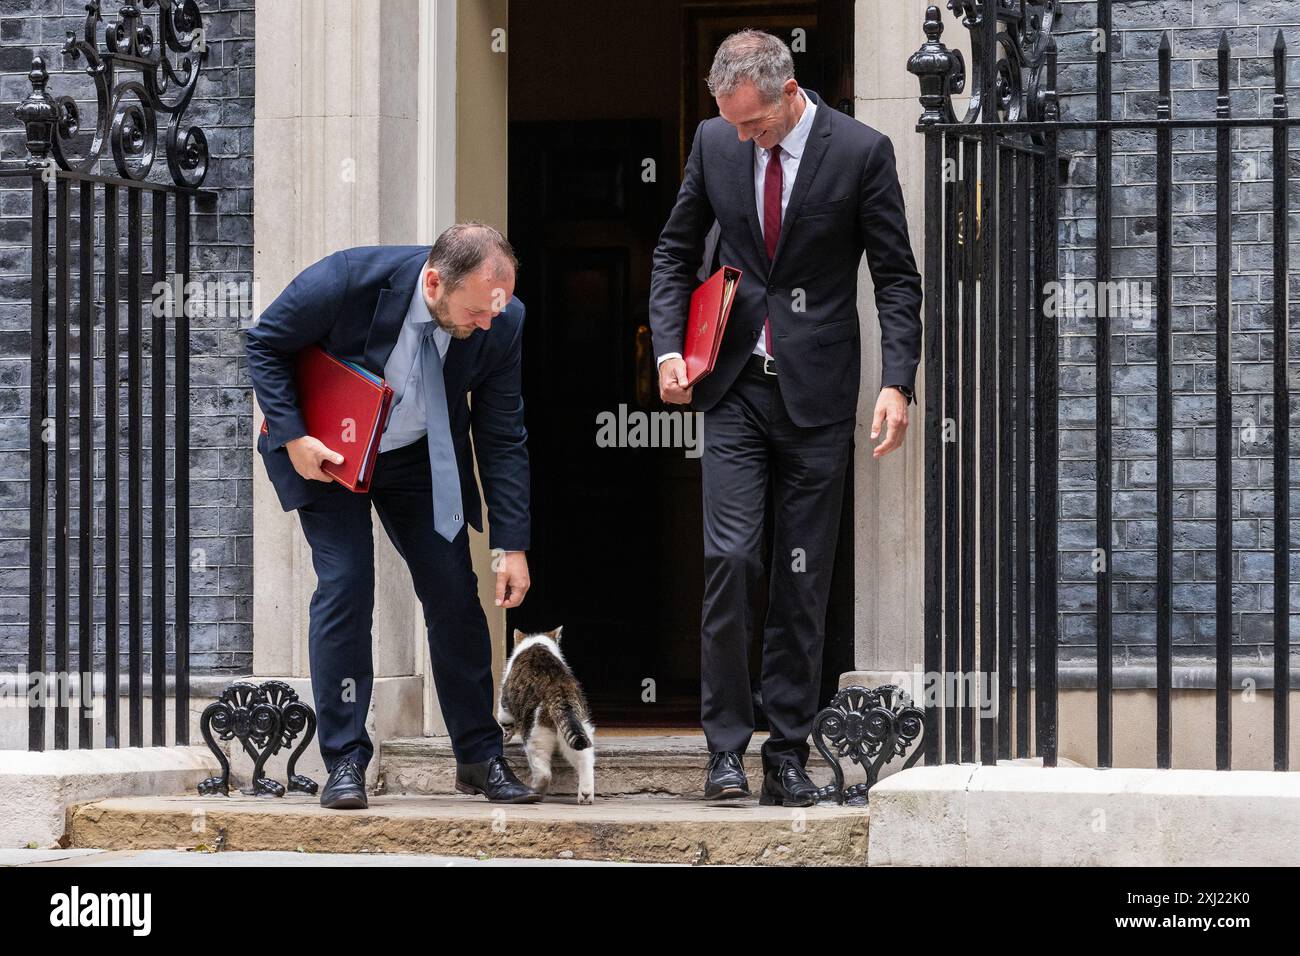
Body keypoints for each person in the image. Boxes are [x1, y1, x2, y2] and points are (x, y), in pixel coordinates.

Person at [649, 30, 923, 805]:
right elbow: (674, 252)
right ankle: (725, 749)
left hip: (817, 394)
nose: (742, 137)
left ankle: (789, 751)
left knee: (804, 580)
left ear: (789, 91)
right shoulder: (713, 141)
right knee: (732, 563)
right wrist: (670, 347)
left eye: (754, 125)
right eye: (732, 124)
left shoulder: (861, 153)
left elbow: (897, 279)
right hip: (733, 386)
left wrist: (896, 382)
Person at [246, 222, 539, 808]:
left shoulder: (502, 321)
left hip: (419, 459)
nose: (486, 323)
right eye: (476, 310)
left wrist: (512, 545)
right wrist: (295, 437)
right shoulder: (348, 277)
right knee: (347, 587)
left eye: (495, 310)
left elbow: (503, 434)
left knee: (455, 593)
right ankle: (346, 762)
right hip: (331, 454)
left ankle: (481, 758)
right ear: (434, 281)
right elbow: (264, 343)